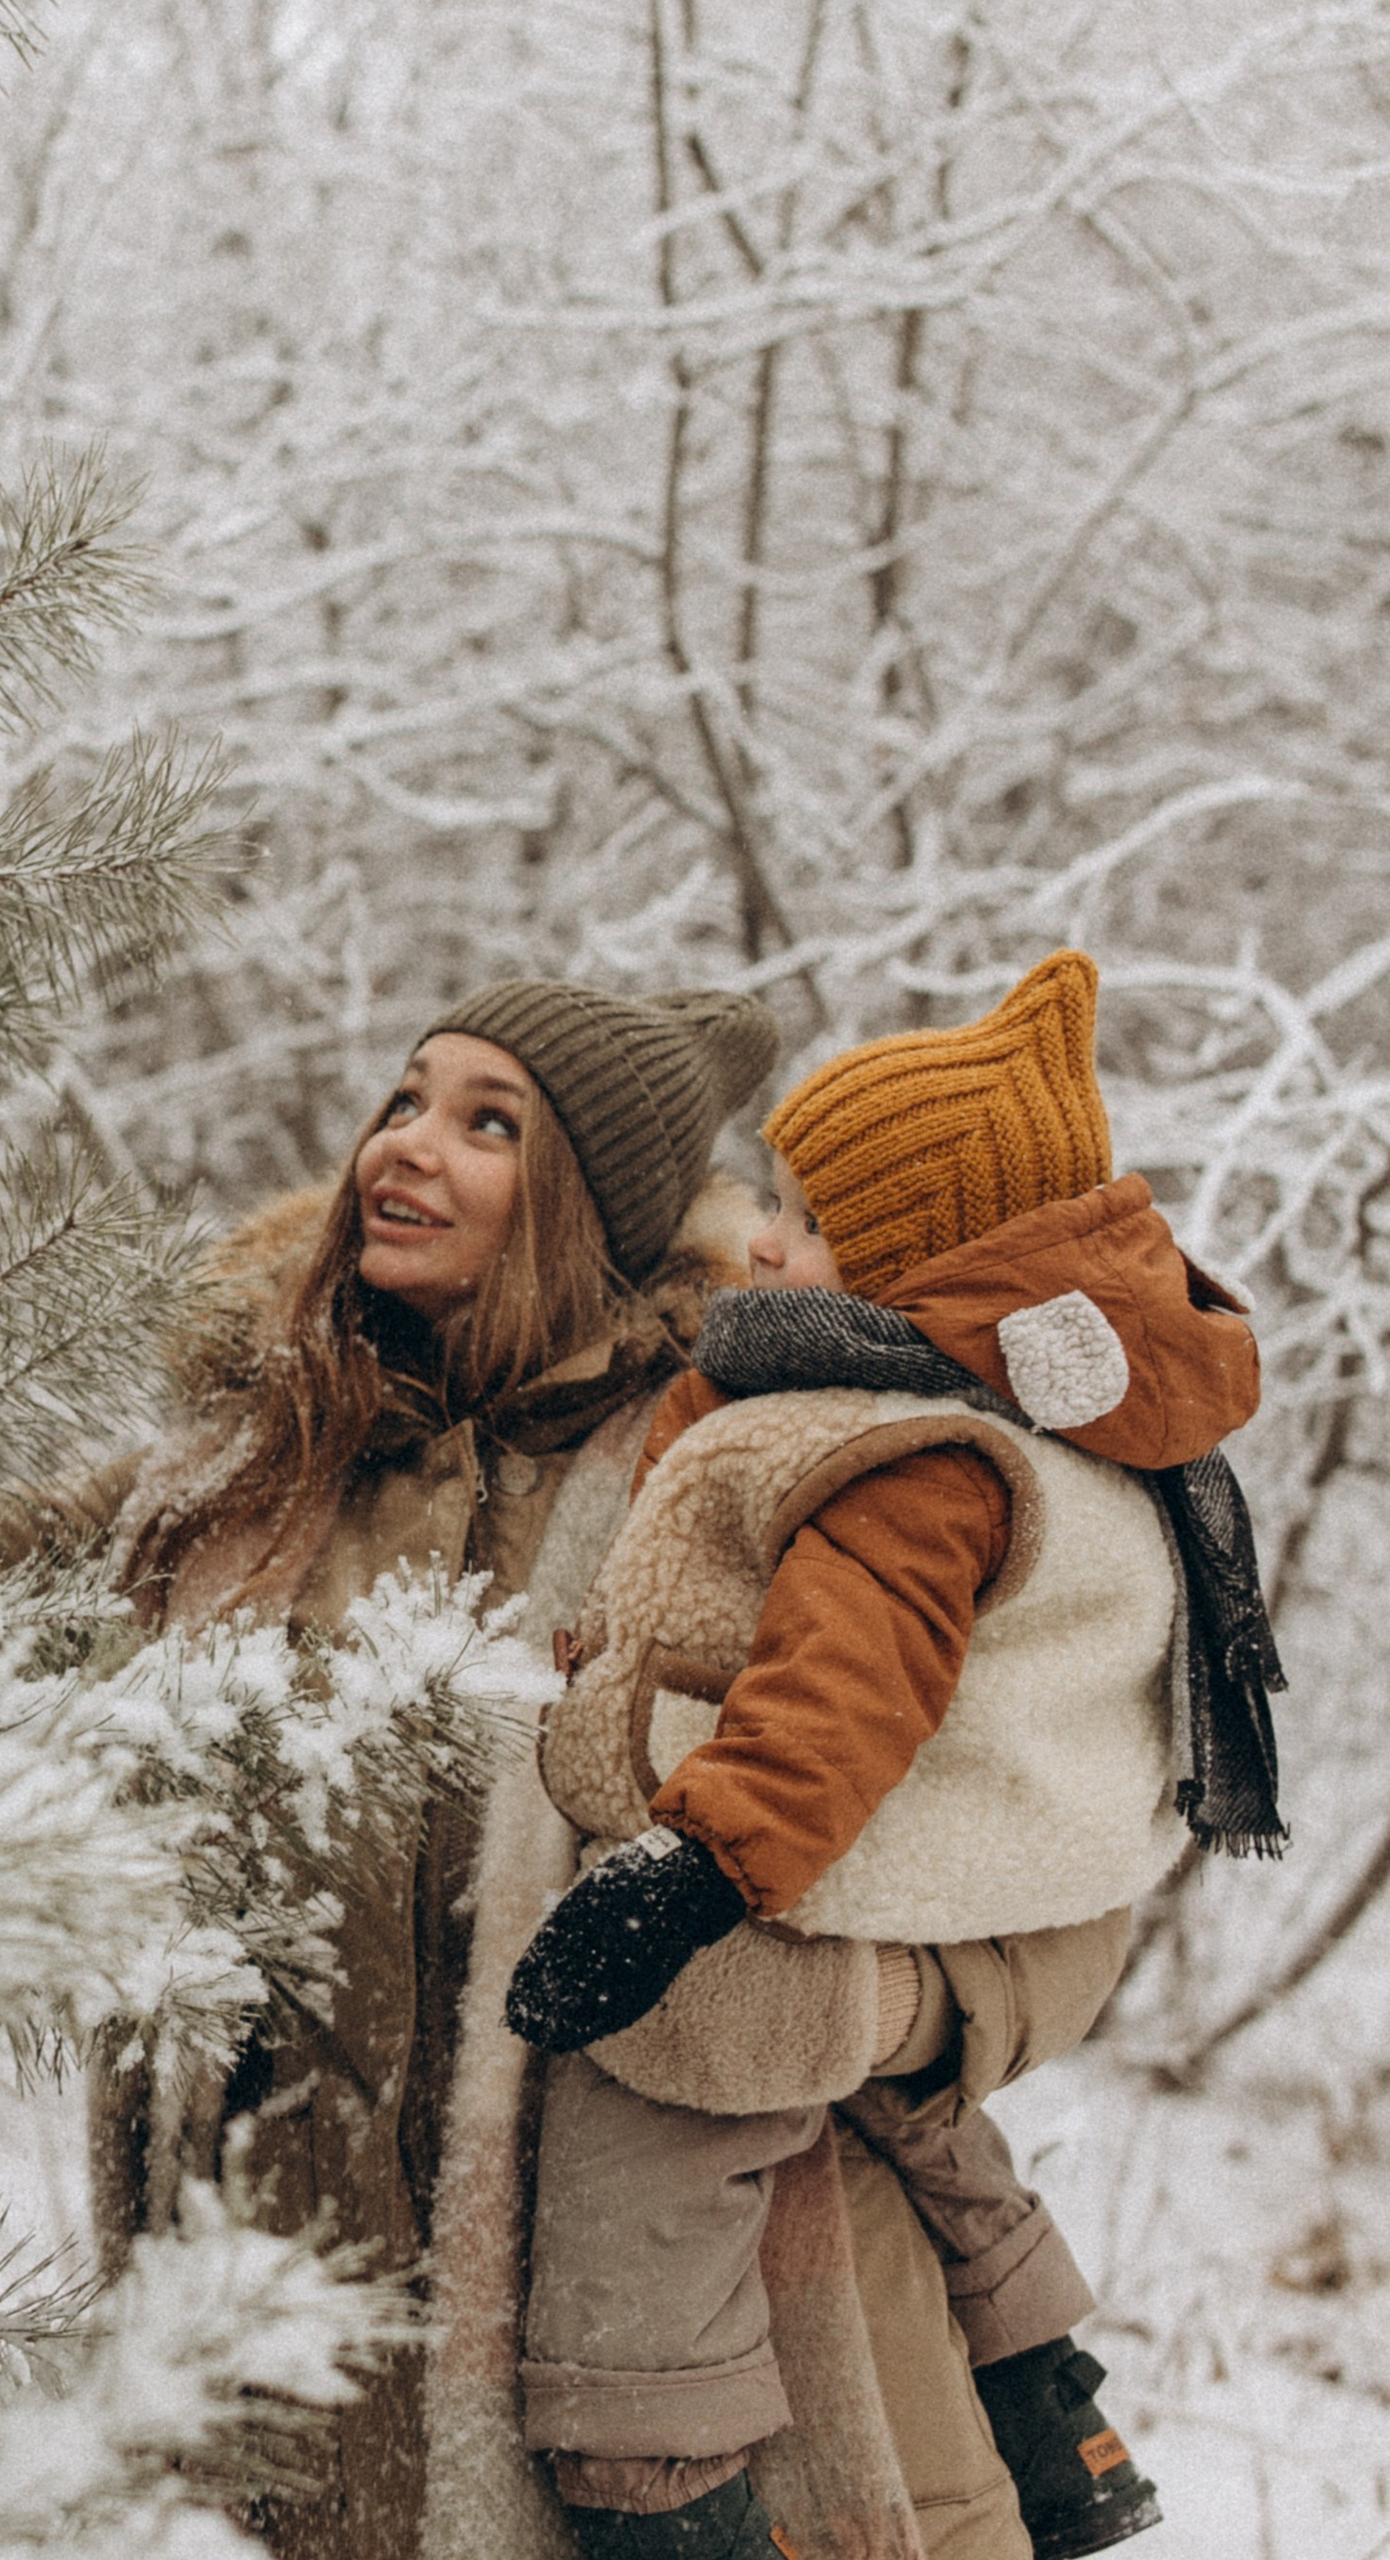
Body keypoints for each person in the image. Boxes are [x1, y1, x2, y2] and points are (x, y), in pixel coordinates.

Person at [503, 952, 1284, 2560]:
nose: (766, 1243)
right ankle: (1050, 2399)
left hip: (796, 1863)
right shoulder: (1046, 1420)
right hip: (941, 1896)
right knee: (907, 2109)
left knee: (663, 2086)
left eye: (809, 1217)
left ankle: (657, 2473)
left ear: (932, 1259)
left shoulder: (907, 1458)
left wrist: (695, 1869)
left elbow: (835, 1695)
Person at [37, 978, 782, 2560]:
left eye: (488, 1123)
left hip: (567, 2304)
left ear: (588, 1205)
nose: (410, 1145)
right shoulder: (265, 1454)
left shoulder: (697, 1479)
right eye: (406, 1098)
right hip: (248, 2255)